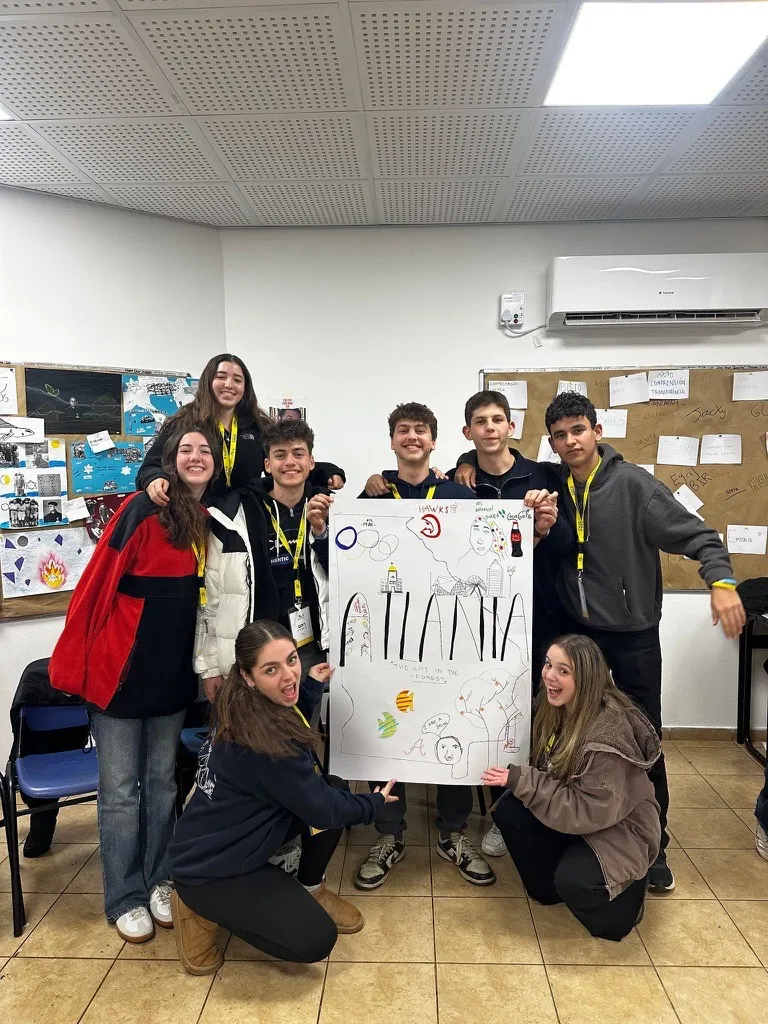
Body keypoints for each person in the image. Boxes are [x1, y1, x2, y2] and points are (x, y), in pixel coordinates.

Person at [543, 391, 746, 893]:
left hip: (632, 636)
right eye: (560, 435)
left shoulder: (634, 486)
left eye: (578, 430)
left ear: (596, 431)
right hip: (579, 638)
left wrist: (721, 585)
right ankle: (584, 829)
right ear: (552, 444)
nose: (571, 441)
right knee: (575, 739)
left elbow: (703, 538)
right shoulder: (555, 488)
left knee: (641, 741)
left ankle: (654, 845)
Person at [49, 424, 221, 943]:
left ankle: (159, 880)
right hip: (119, 673)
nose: (195, 457)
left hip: (170, 675)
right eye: (185, 450)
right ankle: (123, 895)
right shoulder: (139, 510)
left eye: (205, 451)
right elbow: (97, 586)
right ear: (168, 461)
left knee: (164, 784)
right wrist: (80, 662)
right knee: (122, 792)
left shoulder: (206, 521)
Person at [169, 620, 398, 971]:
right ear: (248, 676)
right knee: (315, 938)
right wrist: (374, 803)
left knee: (332, 789)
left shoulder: (248, 706)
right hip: (210, 869)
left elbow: (289, 724)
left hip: (232, 837)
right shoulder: (266, 748)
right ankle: (196, 911)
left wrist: (307, 686)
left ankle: (309, 887)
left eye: (292, 660)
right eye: (271, 669)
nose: (288, 675)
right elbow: (321, 809)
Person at [353, 401, 497, 890]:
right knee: (386, 733)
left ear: (434, 441)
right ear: (392, 441)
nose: (412, 437)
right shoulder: (371, 497)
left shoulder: (461, 494)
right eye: (402, 430)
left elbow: (490, 553)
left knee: (455, 728)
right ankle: (389, 833)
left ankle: (453, 832)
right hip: (390, 645)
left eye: (420, 430)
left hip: (451, 642)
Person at [450, 390, 573, 857]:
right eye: (480, 422)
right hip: (480, 621)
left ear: (510, 427)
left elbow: (564, 548)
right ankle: (502, 811)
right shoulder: (458, 484)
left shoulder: (545, 477)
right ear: (469, 433)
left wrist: (547, 524)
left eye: (497, 419)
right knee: (490, 714)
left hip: (539, 616)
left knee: (541, 717)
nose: (490, 428)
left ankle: (536, 806)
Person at [483, 634, 660, 942]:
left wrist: (523, 780)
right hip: (580, 814)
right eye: (548, 664)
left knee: (577, 883)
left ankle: (627, 904)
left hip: (618, 827)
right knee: (512, 810)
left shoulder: (606, 737)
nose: (550, 675)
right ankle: (552, 888)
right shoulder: (557, 706)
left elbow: (583, 812)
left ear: (587, 678)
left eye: (563, 671)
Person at [194, 418, 333, 707]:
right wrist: (209, 668)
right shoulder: (233, 516)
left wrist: (322, 533)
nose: (290, 462)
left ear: (311, 461)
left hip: (311, 650)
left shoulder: (331, 512)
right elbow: (213, 595)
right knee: (254, 740)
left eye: (298, 453)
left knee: (305, 733)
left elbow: (349, 576)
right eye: (280, 455)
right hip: (256, 655)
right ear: (268, 464)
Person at [136, 353, 345, 505]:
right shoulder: (183, 422)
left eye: (237, 380)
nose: (229, 384)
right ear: (208, 382)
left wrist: (327, 471)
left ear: (245, 388)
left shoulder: (259, 425)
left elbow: (282, 462)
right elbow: (150, 467)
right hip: (196, 514)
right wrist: (155, 479)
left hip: (246, 515)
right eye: (221, 377)